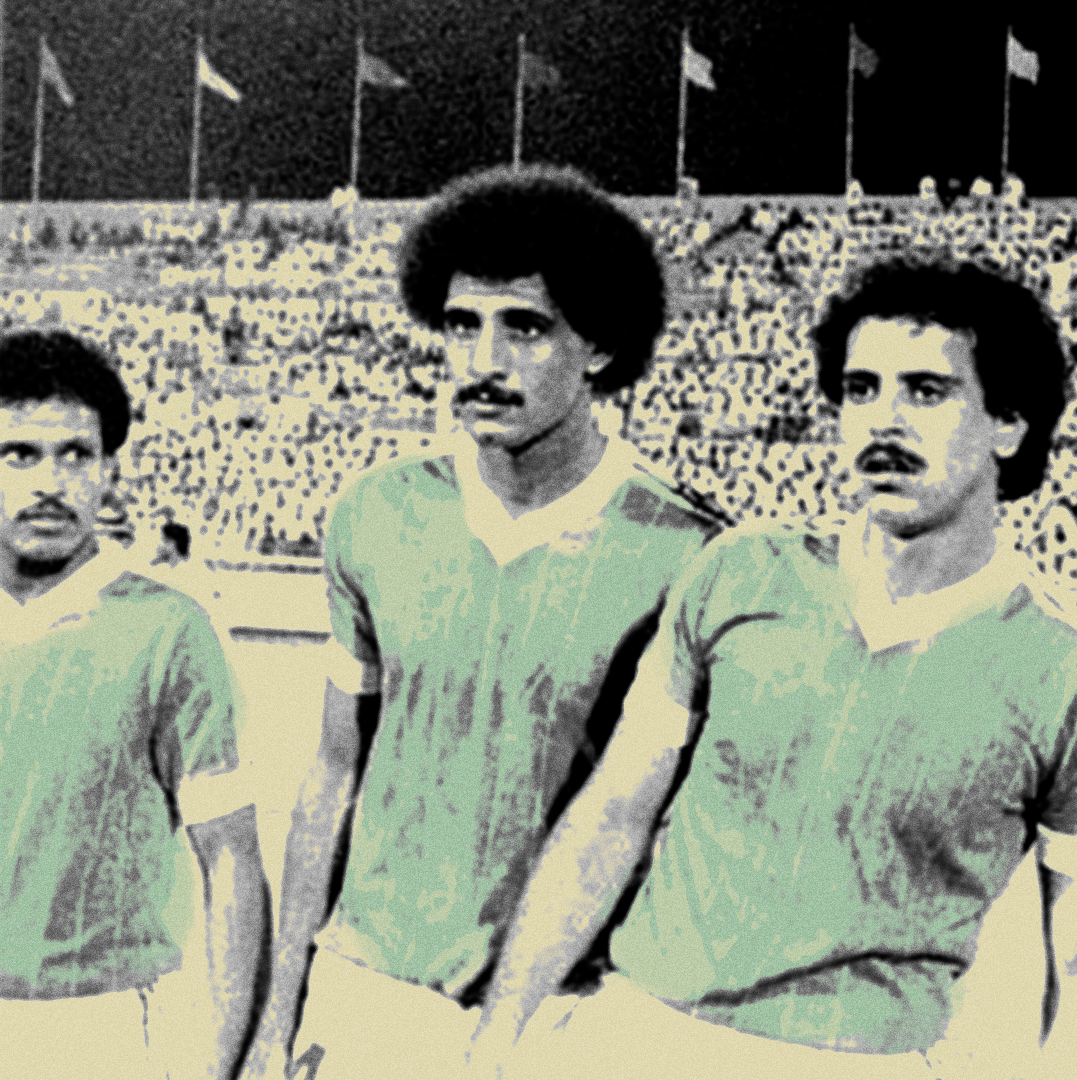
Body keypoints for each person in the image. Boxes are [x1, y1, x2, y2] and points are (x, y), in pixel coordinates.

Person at [468, 257, 1077, 1078]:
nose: (883, 421)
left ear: (1007, 423)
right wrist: (497, 1039)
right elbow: (611, 816)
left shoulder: (1075, 679)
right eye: (860, 389)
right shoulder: (743, 572)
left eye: (926, 391)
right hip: (642, 1038)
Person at [241, 164, 726, 1079]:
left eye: (525, 328)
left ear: (600, 346)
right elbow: (333, 778)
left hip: (561, 1018)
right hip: (366, 993)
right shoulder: (376, 512)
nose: (482, 361)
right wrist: (277, 1023)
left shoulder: (691, 554)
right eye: (462, 325)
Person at [0, 328, 267, 1079]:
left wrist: (223, 1063)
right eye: (19, 454)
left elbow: (232, 858)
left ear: (109, 471)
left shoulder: (170, 629)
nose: (51, 482)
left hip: (97, 1028)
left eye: (75, 455)